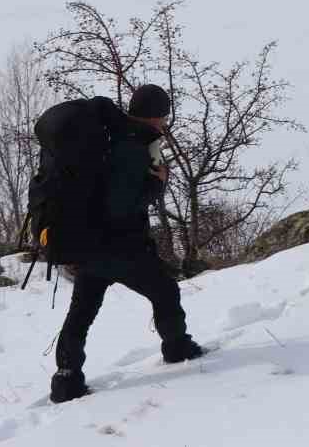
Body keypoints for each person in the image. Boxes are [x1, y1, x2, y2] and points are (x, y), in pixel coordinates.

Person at [52, 85, 204, 404]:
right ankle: (177, 348)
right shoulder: (133, 145)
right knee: (165, 291)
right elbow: (121, 206)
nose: (164, 123)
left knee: (80, 313)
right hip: (120, 247)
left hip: (89, 246)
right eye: (163, 117)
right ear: (155, 116)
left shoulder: (109, 136)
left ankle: (66, 378)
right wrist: (156, 184)